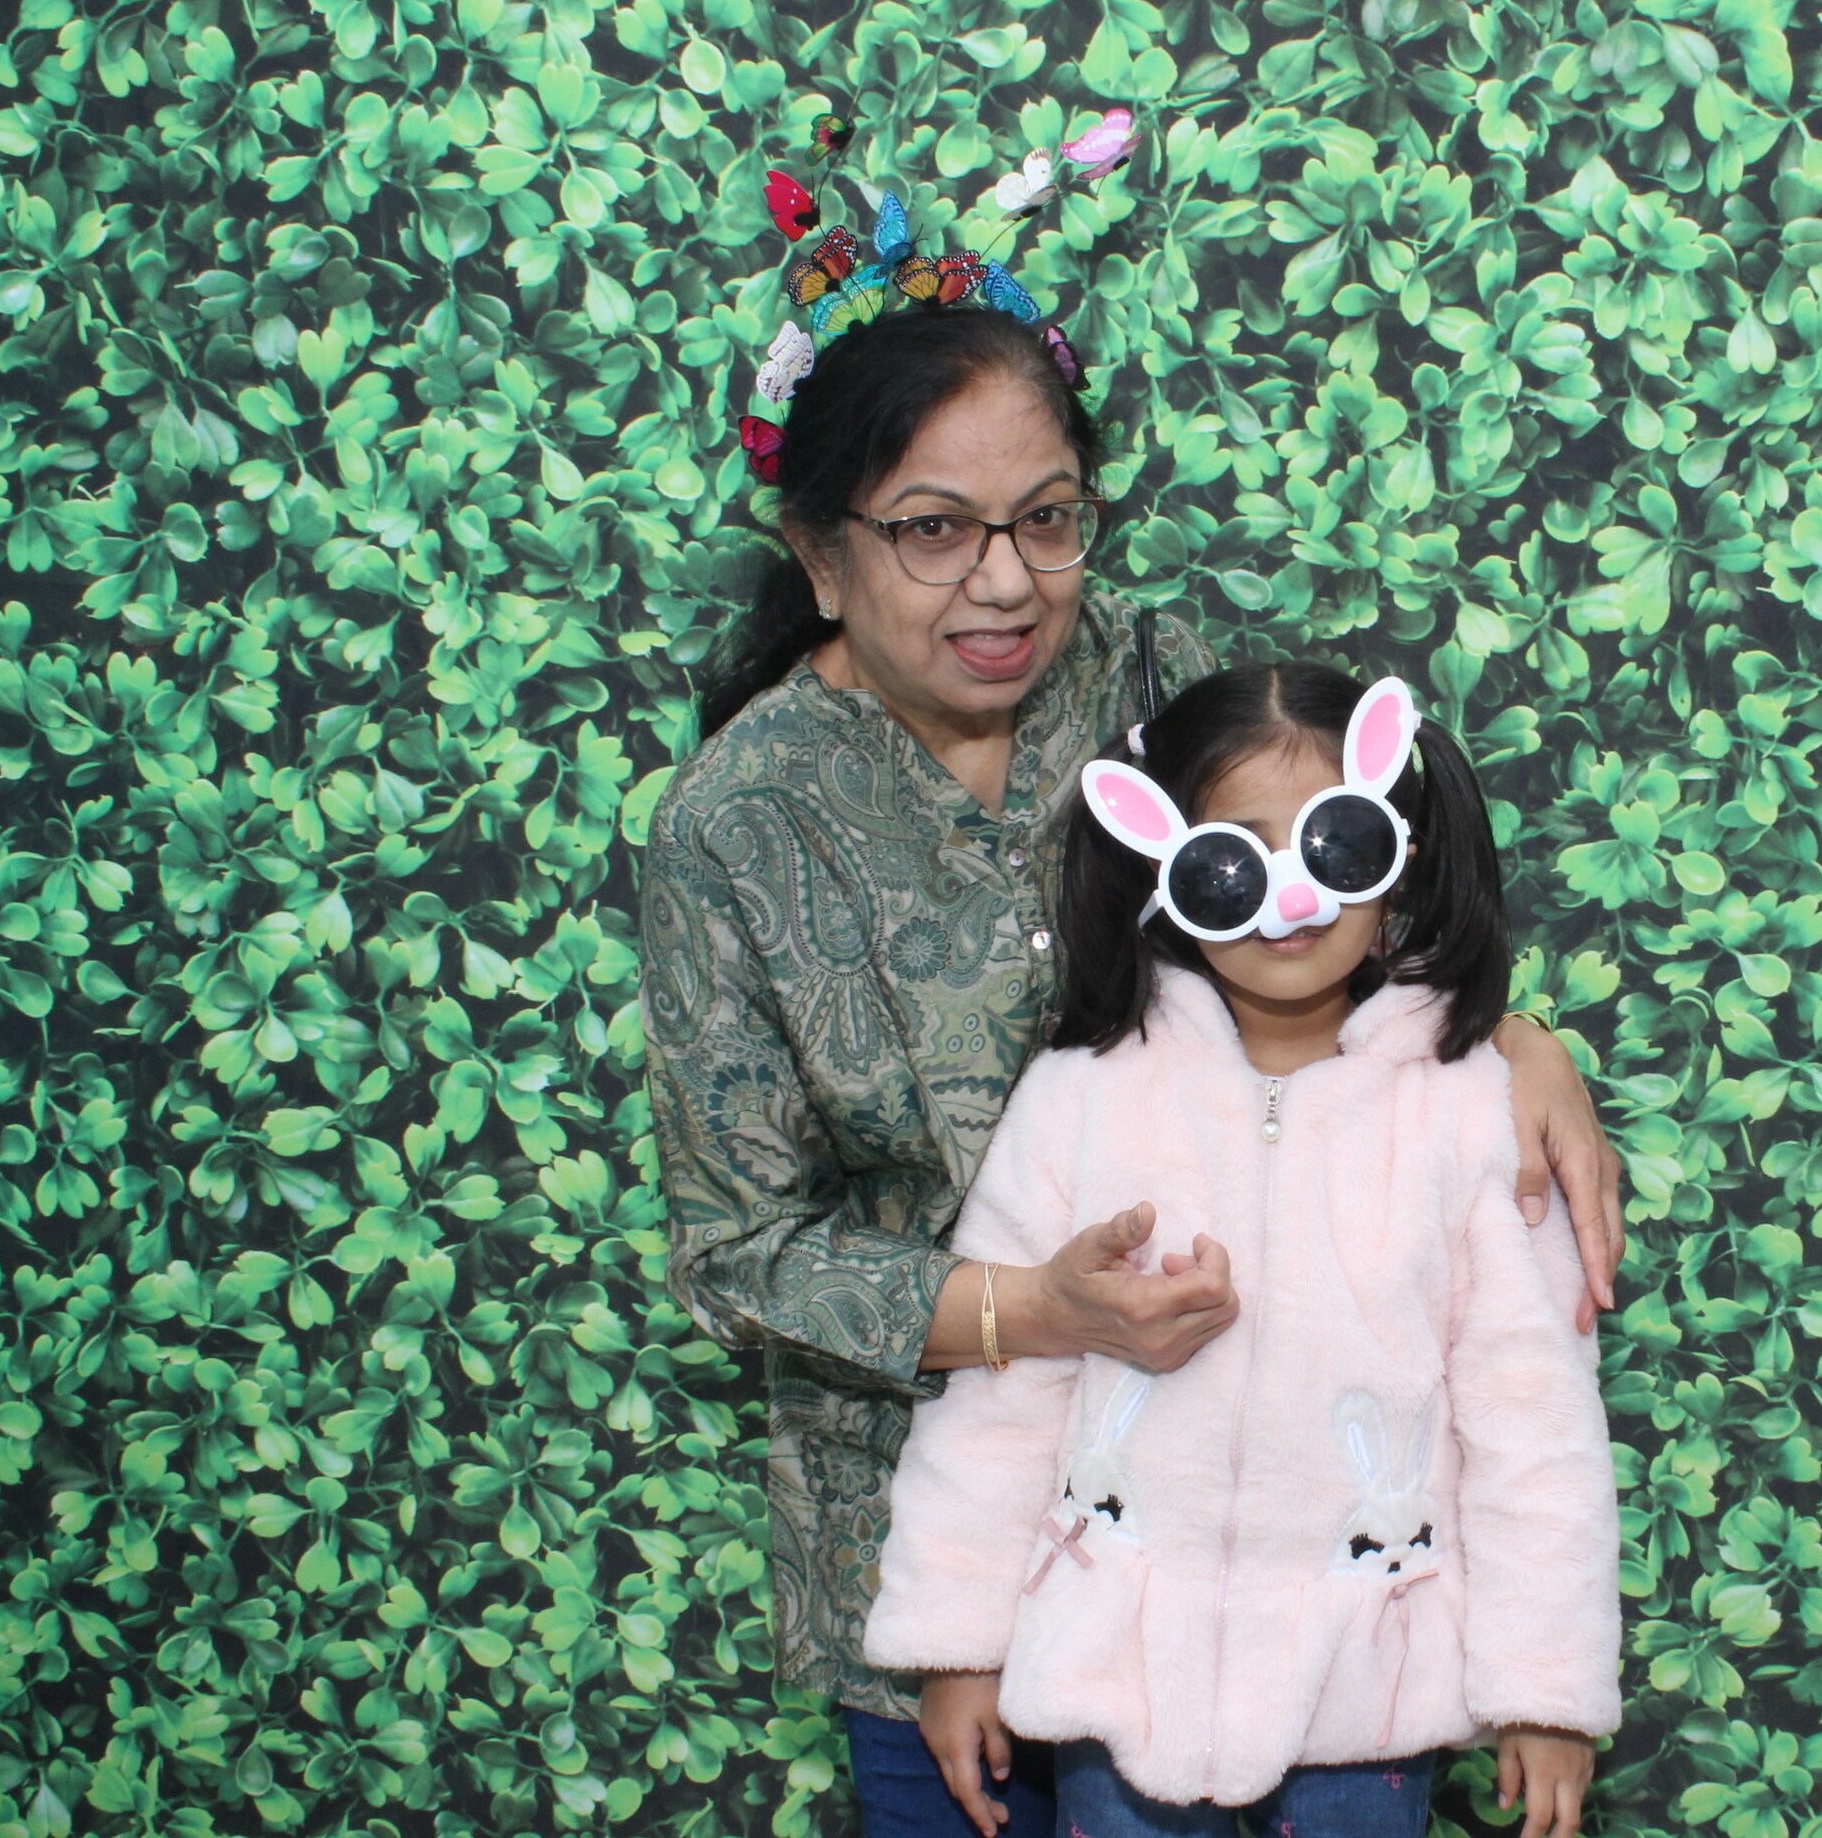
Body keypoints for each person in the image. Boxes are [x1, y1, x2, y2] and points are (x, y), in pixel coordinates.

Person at [638, 305, 1627, 1838]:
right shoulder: (738, 823)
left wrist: (1500, 1034)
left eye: (1046, 518)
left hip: (1318, 1599)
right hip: (929, 1547)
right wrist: (1036, 1315)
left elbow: (1326, 877)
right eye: (933, 530)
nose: (1005, 579)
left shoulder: (1152, 678)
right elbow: (735, 1255)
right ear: (820, 554)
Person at [862, 665, 1620, 1838]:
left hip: (1370, 1685)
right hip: (1118, 1669)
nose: (1289, 900)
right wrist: (958, 1647)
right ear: (1160, 871)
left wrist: (1546, 1692)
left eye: (1334, 846)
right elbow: (998, 1400)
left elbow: (1535, 1425)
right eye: (1231, 865)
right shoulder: (1078, 1097)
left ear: (1401, 853)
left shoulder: (1474, 1114)